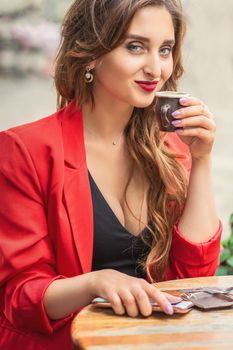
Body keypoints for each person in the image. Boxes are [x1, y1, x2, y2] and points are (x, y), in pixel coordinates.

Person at [0, 0, 222, 349]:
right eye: (135, 47)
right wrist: (96, 282)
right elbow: (20, 297)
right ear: (91, 53)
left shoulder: (170, 148)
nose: (156, 68)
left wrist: (203, 159)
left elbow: (192, 279)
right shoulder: (24, 150)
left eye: (165, 49)